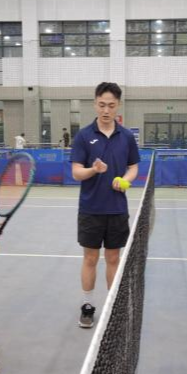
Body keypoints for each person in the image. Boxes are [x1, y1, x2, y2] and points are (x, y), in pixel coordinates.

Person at [71, 82, 140, 328]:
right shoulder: (83, 136)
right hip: (90, 209)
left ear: (118, 105)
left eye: (111, 105)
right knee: (90, 259)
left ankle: (112, 308)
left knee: (113, 258)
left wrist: (126, 181)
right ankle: (87, 306)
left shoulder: (126, 136)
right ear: (95, 104)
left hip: (117, 209)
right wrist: (93, 170)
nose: (106, 110)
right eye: (102, 105)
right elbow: (76, 172)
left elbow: (133, 167)